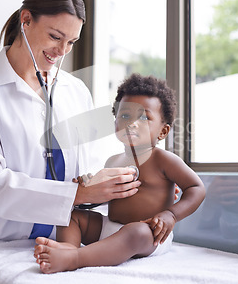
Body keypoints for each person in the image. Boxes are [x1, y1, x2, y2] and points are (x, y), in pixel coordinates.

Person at [0, 0, 141, 283]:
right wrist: (78, 192)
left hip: (61, 244)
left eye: (71, 42)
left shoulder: (76, 91)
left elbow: (85, 176)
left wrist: (132, 186)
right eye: (55, 36)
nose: (61, 51)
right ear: (26, 20)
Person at [33, 73, 206, 273]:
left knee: (136, 232)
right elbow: (110, 197)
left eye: (144, 117)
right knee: (68, 214)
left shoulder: (163, 160)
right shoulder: (113, 160)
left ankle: (76, 257)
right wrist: (87, 189)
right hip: (111, 227)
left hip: (149, 235)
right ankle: (68, 247)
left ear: (163, 132)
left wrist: (171, 215)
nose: (132, 123)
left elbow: (196, 188)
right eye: (125, 115)